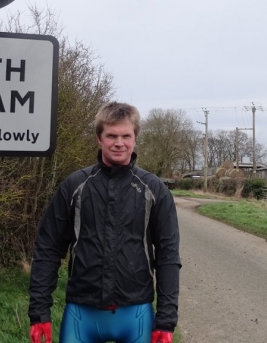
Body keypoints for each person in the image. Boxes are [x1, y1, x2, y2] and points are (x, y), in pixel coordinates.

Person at [29, 101, 181, 343]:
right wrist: (39, 312)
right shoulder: (74, 186)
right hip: (82, 312)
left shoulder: (155, 189)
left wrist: (166, 319)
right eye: (111, 135)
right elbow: (48, 248)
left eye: (125, 136)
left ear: (135, 138)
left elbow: (168, 256)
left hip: (136, 312)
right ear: (99, 138)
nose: (118, 143)